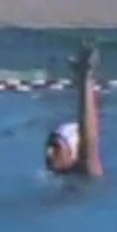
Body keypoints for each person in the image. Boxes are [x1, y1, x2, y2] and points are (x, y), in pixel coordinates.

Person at [44, 44, 105, 178]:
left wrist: (85, 78)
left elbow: (89, 140)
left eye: (56, 147)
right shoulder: (51, 177)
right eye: (49, 146)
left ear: (73, 151)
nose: (49, 153)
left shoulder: (88, 172)